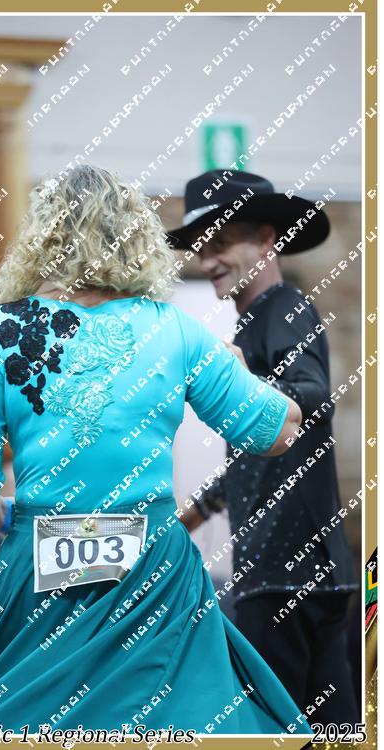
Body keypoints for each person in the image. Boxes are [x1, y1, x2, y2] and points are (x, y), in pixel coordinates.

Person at [0, 164, 309, 736]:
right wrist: (238, 369)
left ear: (43, 238)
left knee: (22, 728)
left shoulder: (6, 331)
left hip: (37, 568)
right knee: (183, 723)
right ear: (136, 239)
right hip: (153, 576)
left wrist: (7, 518)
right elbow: (278, 432)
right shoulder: (173, 329)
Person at [172, 170, 359, 724]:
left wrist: (240, 381)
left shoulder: (283, 308)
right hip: (296, 574)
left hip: (286, 575)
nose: (208, 261)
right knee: (329, 724)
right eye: (201, 248)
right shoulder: (260, 321)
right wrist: (198, 510)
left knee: (272, 726)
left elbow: (312, 395)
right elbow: (259, 448)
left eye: (222, 243)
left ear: (267, 240)